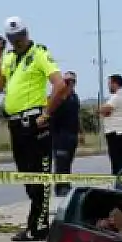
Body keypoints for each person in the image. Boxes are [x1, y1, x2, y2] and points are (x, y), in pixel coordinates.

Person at [0, 18, 70, 242]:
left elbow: (60, 84)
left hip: (35, 121)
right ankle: (35, 224)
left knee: (40, 175)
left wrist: (47, 113)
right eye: (12, 38)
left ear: (27, 34)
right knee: (27, 175)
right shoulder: (9, 58)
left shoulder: (39, 53)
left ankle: (39, 226)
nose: (17, 41)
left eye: (20, 36)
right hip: (16, 124)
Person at [51, 69, 82, 198]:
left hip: (72, 135)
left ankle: (66, 185)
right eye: (67, 81)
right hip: (60, 135)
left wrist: (80, 132)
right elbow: (52, 114)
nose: (69, 83)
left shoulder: (75, 97)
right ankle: (60, 187)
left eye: (72, 81)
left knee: (68, 161)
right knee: (61, 162)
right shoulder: (58, 96)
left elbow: (76, 116)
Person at [101, 73, 122, 185]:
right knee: (119, 157)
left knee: (116, 159)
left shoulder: (117, 97)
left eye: (109, 83)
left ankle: (120, 182)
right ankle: (121, 181)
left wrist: (100, 109)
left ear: (115, 84)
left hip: (115, 131)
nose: (108, 86)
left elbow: (105, 109)